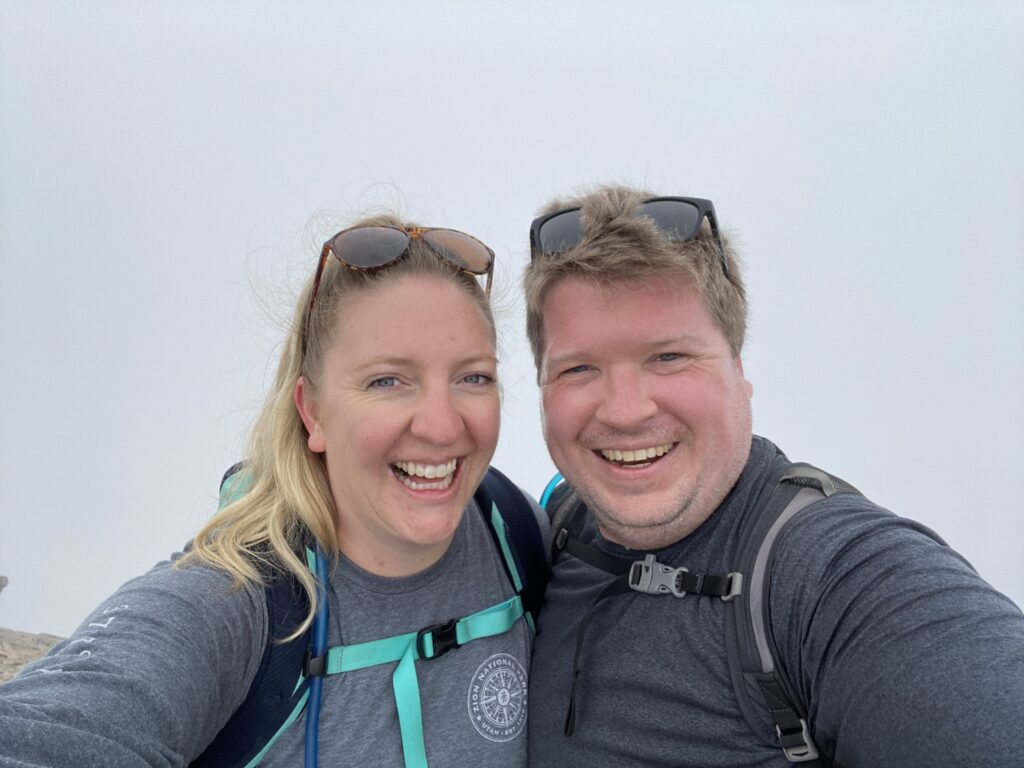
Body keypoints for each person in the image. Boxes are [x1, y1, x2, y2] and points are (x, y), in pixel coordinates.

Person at [0, 214, 545, 767]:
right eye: (387, 380)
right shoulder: (235, 600)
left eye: (473, 377)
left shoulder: (517, 533)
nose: (442, 425)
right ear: (312, 412)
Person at [523, 184, 1024, 767]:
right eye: (580, 368)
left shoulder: (830, 572)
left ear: (739, 368)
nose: (626, 410)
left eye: (669, 357)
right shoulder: (551, 529)